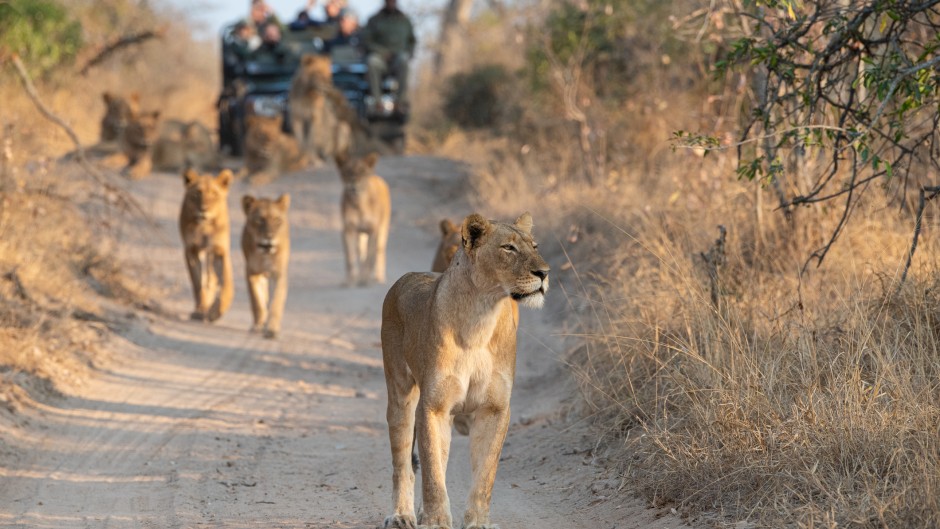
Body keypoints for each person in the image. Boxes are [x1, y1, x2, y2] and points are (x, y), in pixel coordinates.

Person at [362, 0, 416, 112]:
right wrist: (381, 52)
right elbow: (367, 41)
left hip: (398, 59)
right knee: (372, 61)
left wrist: (409, 53)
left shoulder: (404, 20)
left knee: (404, 61)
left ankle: (400, 102)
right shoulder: (375, 19)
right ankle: (377, 102)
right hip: (381, 58)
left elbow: (412, 41)